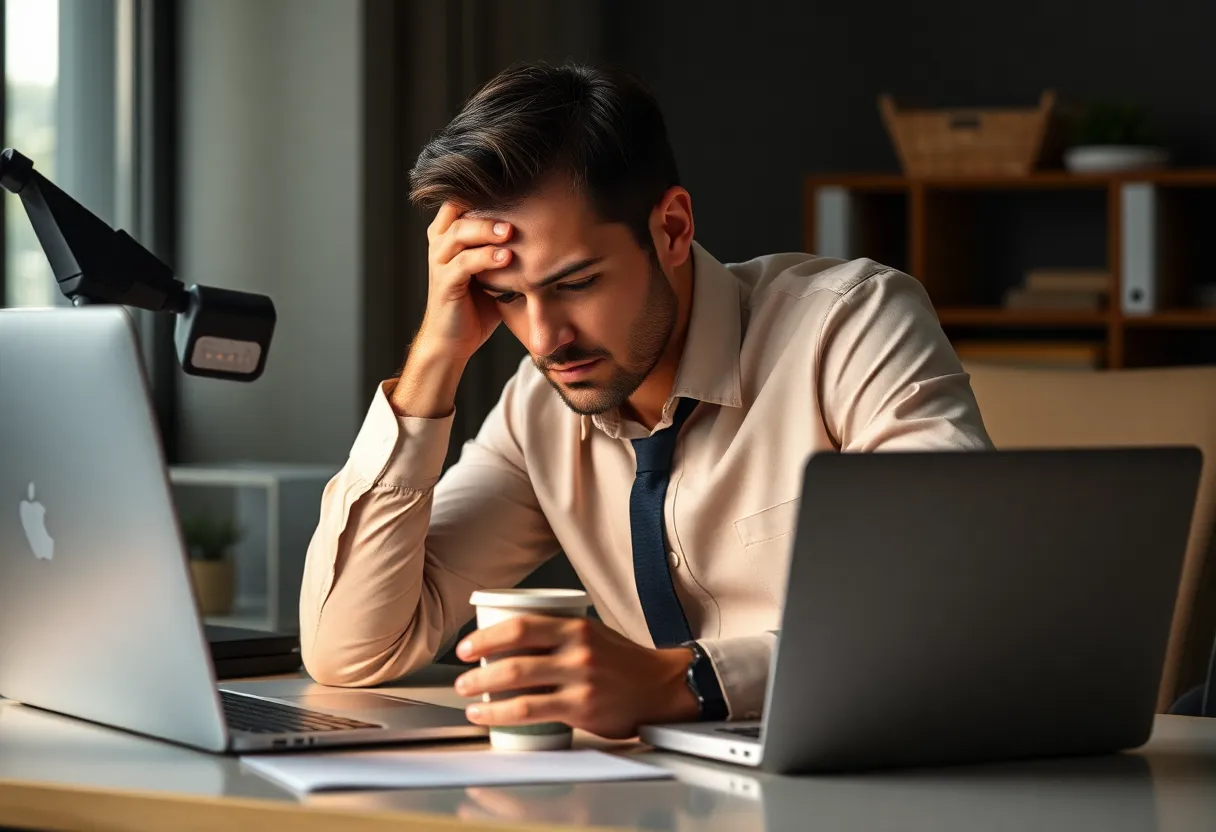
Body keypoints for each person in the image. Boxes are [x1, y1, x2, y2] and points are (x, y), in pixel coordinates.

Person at [299, 62, 992, 739]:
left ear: (672, 229)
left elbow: (952, 601)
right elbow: (352, 652)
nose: (546, 340)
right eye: (507, 297)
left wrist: (685, 682)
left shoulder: (850, 326)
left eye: (576, 283)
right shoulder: (537, 413)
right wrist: (434, 359)